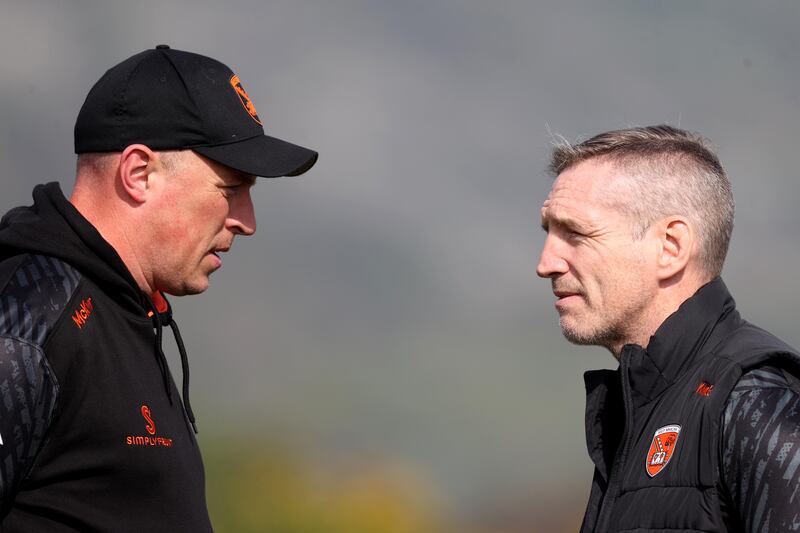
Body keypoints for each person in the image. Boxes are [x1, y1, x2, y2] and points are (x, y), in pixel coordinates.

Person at [0, 45, 317, 531]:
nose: (247, 221)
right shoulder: (30, 315)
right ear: (138, 173)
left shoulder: (127, 311)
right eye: (231, 189)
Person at [537, 125, 800, 532]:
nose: (546, 263)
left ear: (670, 247)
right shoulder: (637, 408)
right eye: (549, 233)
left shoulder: (757, 401)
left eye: (576, 233)